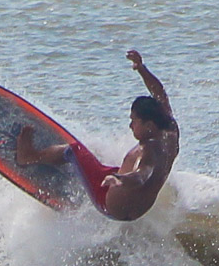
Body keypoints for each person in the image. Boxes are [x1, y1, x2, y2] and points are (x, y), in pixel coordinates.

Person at [15, 49, 179, 221]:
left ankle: (28, 156)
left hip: (109, 203)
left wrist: (120, 180)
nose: (130, 125)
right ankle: (94, 175)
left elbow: (141, 175)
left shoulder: (148, 151)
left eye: (134, 121)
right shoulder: (170, 129)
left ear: (149, 125)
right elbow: (159, 92)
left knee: (74, 150)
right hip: (134, 210)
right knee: (105, 167)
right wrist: (141, 68)